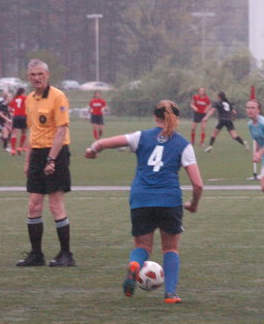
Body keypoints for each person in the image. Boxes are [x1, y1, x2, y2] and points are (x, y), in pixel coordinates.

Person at [84, 100, 203, 303]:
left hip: (141, 199)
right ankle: (170, 294)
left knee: (142, 246)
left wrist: (93, 149)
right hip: (169, 200)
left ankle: (134, 266)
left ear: (155, 116)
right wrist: (194, 204)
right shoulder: (183, 144)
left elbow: (104, 143)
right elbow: (198, 184)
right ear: (176, 118)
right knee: (170, 248)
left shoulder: (140, 137)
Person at [16, 59, 74, 267]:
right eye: (33, 75)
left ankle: (66, 254)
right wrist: (28, 160)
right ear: (28, 77)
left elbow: (61, 130)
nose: (37, 78)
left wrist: (51, 159)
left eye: (40, 74)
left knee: (55, 204)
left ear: (47, 75)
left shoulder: (58, 96)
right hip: (37, 154)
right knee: (33, 205)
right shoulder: (29, 99)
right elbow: (33, 132)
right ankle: (36, 254)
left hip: (56, 153)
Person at [9, 87, 27, 155]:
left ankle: (13, 150)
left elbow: (10, 109)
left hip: (16, 117)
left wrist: (13, 112)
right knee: (24, 133)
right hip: (24, 116)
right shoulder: (25, 98)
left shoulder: (14, 99)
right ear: (23, 92)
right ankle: (20, 147)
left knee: (14, 134)